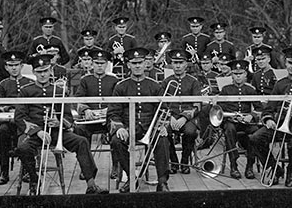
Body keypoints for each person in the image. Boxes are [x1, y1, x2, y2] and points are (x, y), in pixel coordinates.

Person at [14, 54, 108, 195]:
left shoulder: (58, 91)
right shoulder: (26, 91)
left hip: (57, 131)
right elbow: (20, 117)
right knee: (22, 148)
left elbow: (69, 117)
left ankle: (91, 183)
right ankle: (34, 180)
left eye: (45, 71)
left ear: (51, 70)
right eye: (39, 72)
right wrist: (38, 131)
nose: (43, 75)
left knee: (81, 142)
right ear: (34, 72)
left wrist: (60, 122)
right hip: (33, 133)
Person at [249, 47, 292, 187]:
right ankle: (274, 169)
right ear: (285, 64)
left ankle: (291, 172)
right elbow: (268, 109)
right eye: (290, 63)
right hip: (280, 123)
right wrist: (268, 119)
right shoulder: (280, 84)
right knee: (255, 138)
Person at [107, 47, 170, 193]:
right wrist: (119, 127)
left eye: (140, 62)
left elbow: (164, 109)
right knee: (116, 141)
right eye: (133, 63)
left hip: (151, 127)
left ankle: (162, 181)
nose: (137, 66)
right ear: (128, 65)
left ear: (145, 63)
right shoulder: (120, 87)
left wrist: (161, 126)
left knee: (163, 139)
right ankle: (131, 177)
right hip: (129, 128)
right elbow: (113, 112)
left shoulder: (155, 85)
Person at [73, 50, 120, 179]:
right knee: (79, 131)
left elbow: (119, 101)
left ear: (107, 64)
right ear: (92, 64)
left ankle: (116, 166)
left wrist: (109, 111)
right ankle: (86, 168)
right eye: (97, 63)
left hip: (108, 118)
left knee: (117, 131)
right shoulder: (85, 80)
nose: (99, 66)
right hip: (91, 119)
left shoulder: (113, 80)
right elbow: (78, 100)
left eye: (102, 63)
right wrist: (86, 110)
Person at [0, 51, 34, 185]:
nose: (14, 68)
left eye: (16, 65)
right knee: (2, 131)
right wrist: (7, 109)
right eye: (10, 65)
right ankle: (4, 171)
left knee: (29, 132)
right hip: (10, 122)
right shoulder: (2, 85)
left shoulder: (30, 83)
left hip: (27, 121)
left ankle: (28, 170)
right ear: (6, 67)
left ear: (22, 66)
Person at [161, 49, 202, 175]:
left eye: (180, 62)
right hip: (171, 116)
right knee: (164, 132)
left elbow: (197, 105)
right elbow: (162, 104)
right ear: (171, 64)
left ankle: (184, 162)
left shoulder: (193, 81)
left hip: (188, 118)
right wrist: (170, 117)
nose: (177, 66)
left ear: (186, 64)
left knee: (190, 132)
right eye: (175, 63)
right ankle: (173, 162)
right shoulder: (166, 81)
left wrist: (184, 117)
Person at [219, 60, 261, 179]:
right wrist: (230, 115)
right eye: (235, 74)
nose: (238, 76)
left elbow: (259, 108)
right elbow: (220, 108)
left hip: (246, 121)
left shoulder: (250, 90)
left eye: (241, 73)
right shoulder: (226, 89)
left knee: (255, 132)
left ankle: (249, 166)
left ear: (245, 74)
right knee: (229, 129)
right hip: (231, 121)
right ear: (231, 75)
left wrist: (251, 115)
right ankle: (234, 165)